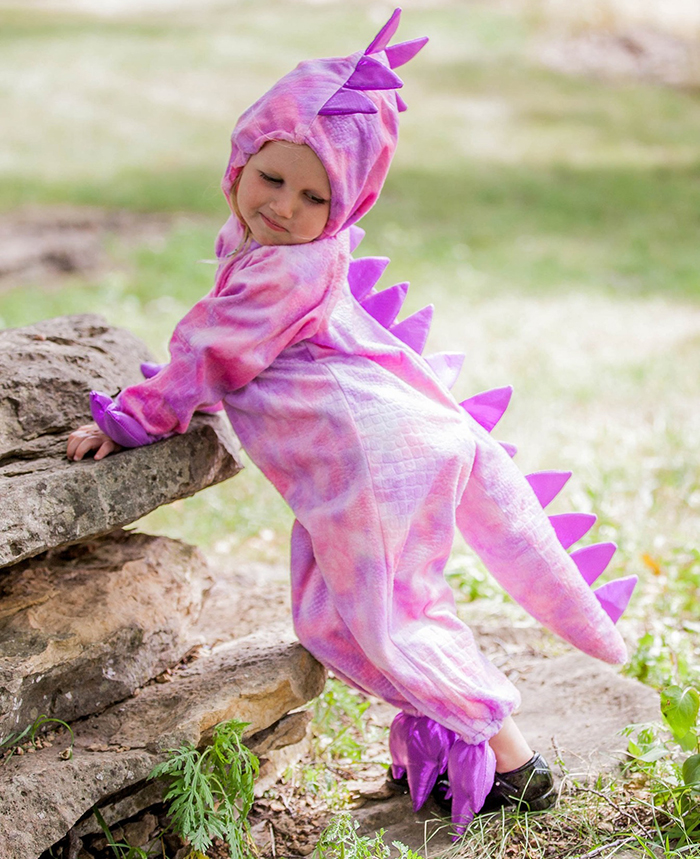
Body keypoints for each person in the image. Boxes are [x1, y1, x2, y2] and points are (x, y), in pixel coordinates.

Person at [66, 9, 637, 830]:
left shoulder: (287, 268)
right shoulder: (280, 251)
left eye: (316, 197)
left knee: (383, 621)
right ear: (241, 158)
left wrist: (129, 419)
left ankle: (515, 767)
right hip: (370, 457)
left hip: (369, 461)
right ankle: (453, 755)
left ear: (348, 204)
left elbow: (208, 352)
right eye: (272, 178)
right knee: (352, 611)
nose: (284, 206)